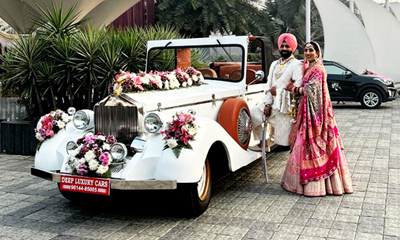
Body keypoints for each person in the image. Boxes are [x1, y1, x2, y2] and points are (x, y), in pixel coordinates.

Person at [281, 41, 353, 196]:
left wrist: (293, 89)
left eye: (311, 50)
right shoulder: (309, 68)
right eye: (306, 50)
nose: (307, 53)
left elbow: (311, 90)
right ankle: (301, 183)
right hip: (307, 113)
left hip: (316, 116)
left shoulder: (318, 70)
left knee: (313, 145)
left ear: (317, 53)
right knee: (301, 144)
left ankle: (318, 186)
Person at [250, 33, 303, 151]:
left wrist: (277, 92)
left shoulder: (297, 65)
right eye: (282, 46)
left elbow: (297, 88)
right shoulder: (274, 64)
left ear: (293, 48)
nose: (284, 49)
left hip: (285, 107)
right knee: (253, 114)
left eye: (287, 46)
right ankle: (261, 143)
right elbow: (269, 85)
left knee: (283, 143)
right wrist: (267, 104)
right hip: (272, 103)